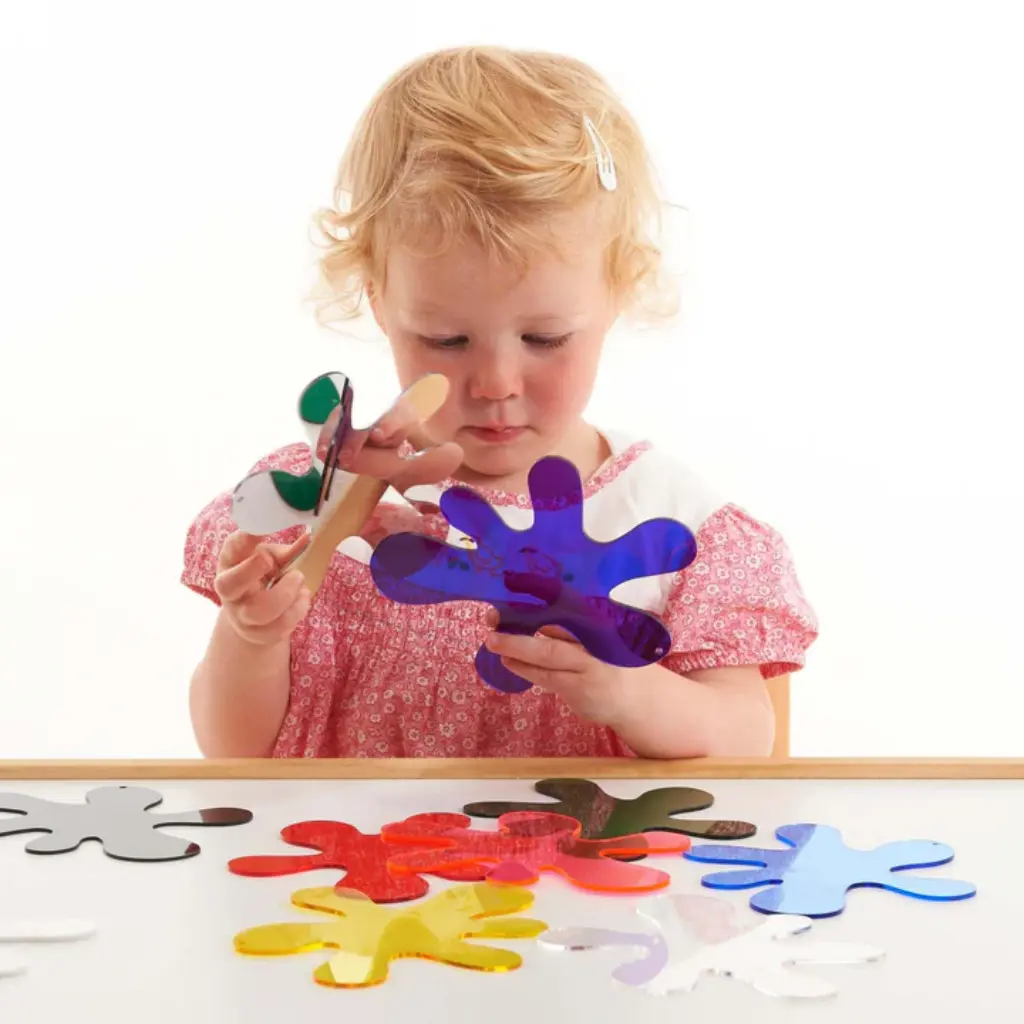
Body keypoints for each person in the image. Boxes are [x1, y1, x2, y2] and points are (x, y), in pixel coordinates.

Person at [182, 45, 818, 760]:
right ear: (378, 301)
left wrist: (629, 693)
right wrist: (252, 637)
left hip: (589, 872)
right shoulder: (323, 507)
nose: (495, 382)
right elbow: (233, 751)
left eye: (545, 337)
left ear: (620, 292)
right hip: (359, 869)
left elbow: (751, 744)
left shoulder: (671, 521)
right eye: (446, 338)